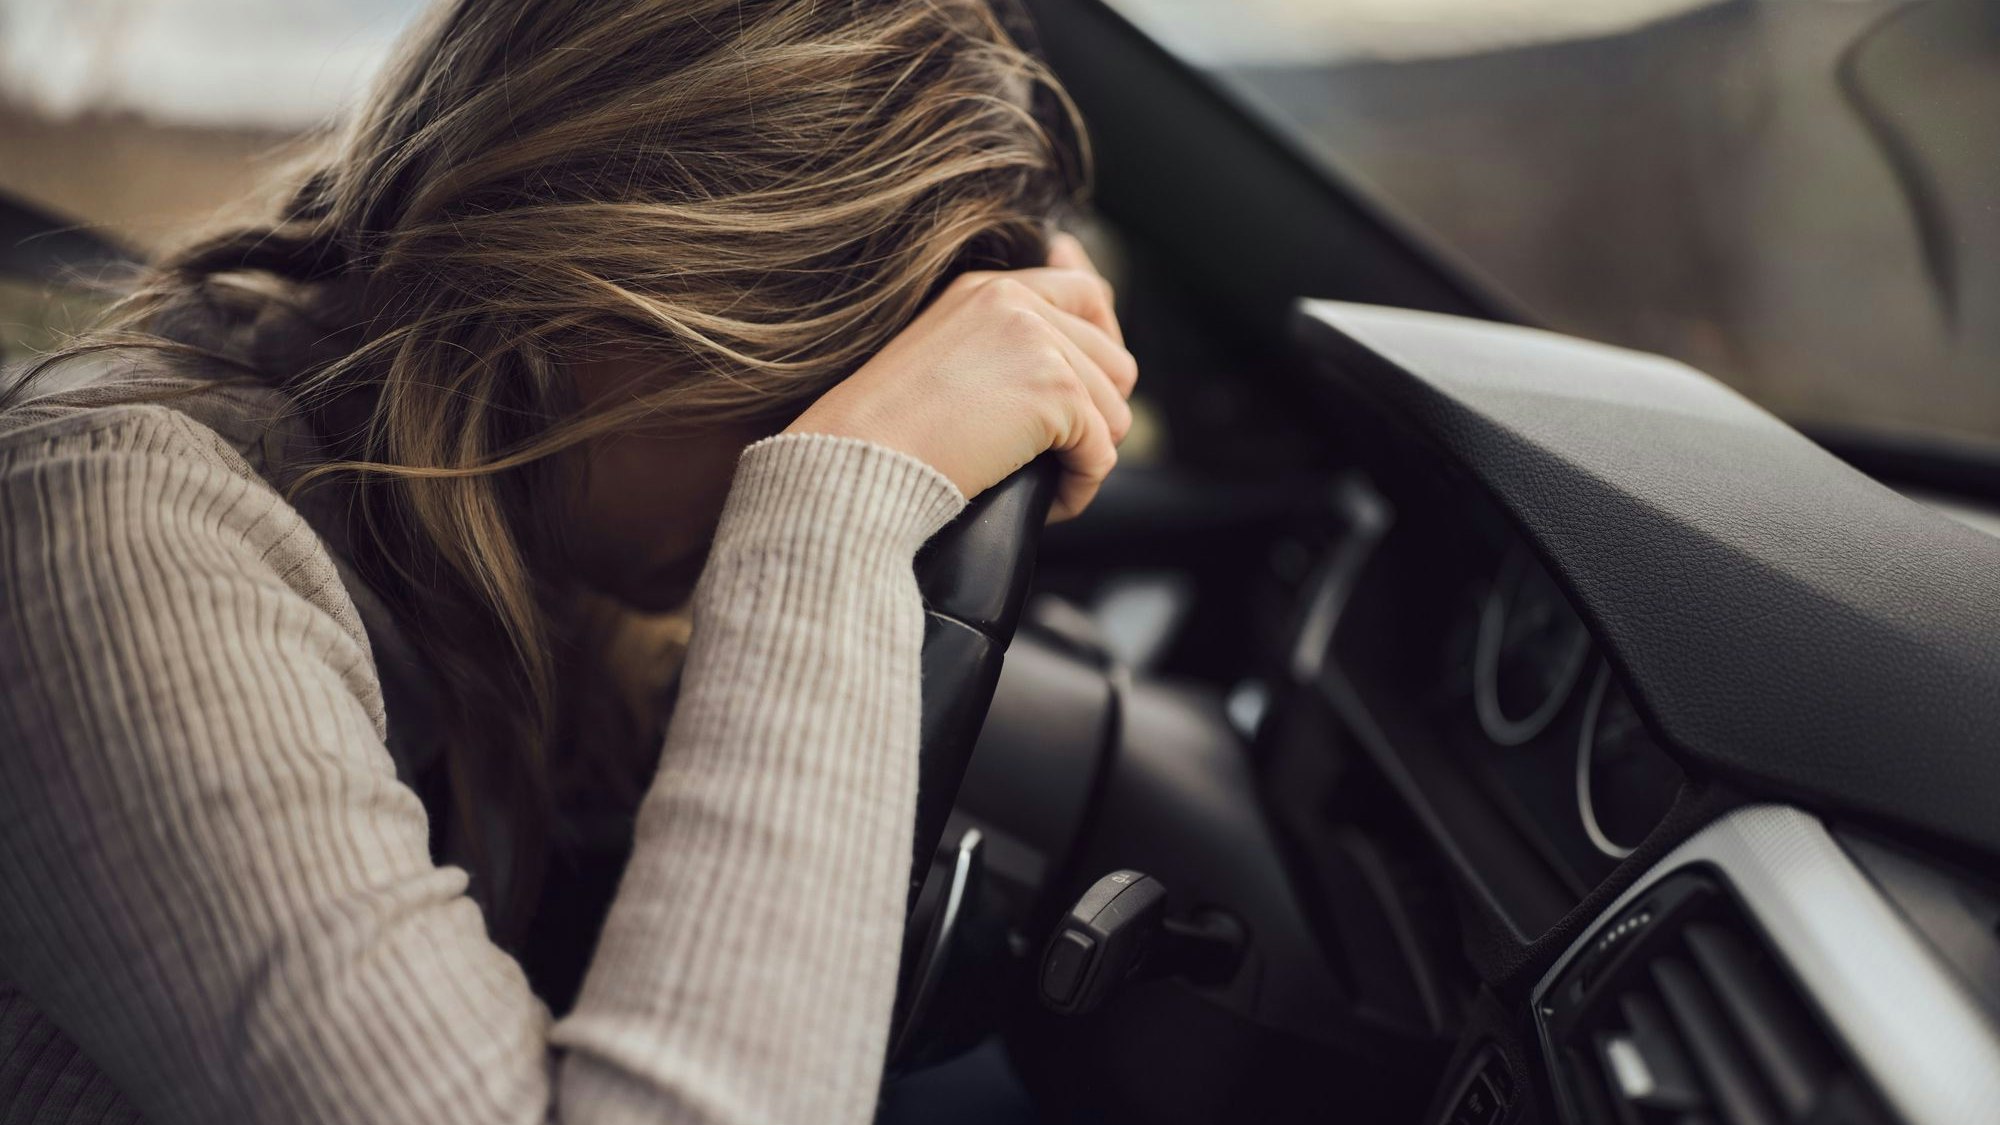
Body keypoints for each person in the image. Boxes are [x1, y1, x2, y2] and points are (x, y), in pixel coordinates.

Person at [0, 1, 1136, 1122]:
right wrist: (833, 509)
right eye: (825, 389)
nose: (818, 435)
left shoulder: (512, 530)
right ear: (602, 287)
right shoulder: (114, 521)